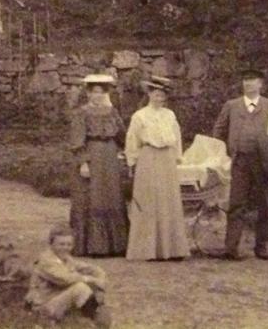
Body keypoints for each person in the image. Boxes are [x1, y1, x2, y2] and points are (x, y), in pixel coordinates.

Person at [211, 68, 268, 260]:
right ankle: (231, 247)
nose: (248, 84)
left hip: (264, 161)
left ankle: (261, 247)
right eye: (245, 80)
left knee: (265, 205)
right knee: (237, 203)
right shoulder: (232, 105)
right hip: (240, 161)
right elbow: (219, 130)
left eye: (253, 80)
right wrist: (225, 154)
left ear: (261, 84)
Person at [124, 74, 189, 261]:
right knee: (149, 201)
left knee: (169, 200)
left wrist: (178, 157)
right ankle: (148, 250)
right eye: (156, 94)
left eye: (162, 95)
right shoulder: (140, 116)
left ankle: (173, 249)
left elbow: (176, 138)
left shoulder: (170, 115)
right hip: (148, 157)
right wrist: (132, 162)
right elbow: (132, 140)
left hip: (167, 159)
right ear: (149, 94)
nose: (159, 98)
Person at [69, 73, 129, 256]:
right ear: (88, 93)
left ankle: (116, 245)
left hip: (110, 157)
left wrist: (124, 150)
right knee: (92, 196)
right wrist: (83, 163)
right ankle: (92, 246)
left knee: (111, 195)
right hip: (92, 155)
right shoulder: (81, 113)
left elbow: (122, 135)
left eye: (101, 92)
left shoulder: (112, 112)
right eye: (94, 92)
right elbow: (77, 141)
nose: (98, 95)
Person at [26, 224, 113, 327]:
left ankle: (94, 320)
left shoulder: (65, 258)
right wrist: (92, 280)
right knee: (80, 288)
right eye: (61, 244)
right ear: (51, 244)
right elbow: (65, 279)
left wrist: (100, 278)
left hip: (60, 302)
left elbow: (91, 268)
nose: (65, 248)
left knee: (91, 288)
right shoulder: (46, 261)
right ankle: (94, 320)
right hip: (44, 306)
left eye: (69, 244)